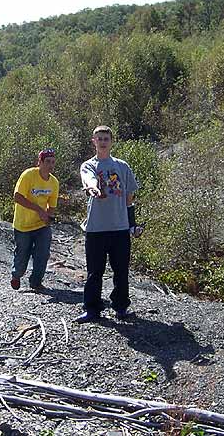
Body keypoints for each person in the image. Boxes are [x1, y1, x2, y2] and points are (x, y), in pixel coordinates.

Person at [76, 125, 139, 323]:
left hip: (119, 228)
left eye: (106, 138)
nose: (103, 142)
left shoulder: (122, 166)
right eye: (99, 139)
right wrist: (93, 188)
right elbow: (89, 179)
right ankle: (92, 310)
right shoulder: (89, 165)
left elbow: (129, 197)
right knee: (95, 271)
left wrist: (132, 224)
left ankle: (120, 307)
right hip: (96, 228)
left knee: (121, 271)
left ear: (111, 141)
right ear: (93, 142)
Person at [10, 149, 59, 291]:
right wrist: (38, 209)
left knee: (43, 253)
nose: (50, 165)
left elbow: (52, 205)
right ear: (40, 162)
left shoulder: (54, 182)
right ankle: (16, 275)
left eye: (53, 162)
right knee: (22, 253)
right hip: (23, 225)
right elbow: (17, 197)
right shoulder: (28, 175)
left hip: (41, 225)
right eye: (47, 162)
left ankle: (36, 282)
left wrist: (49, 217)